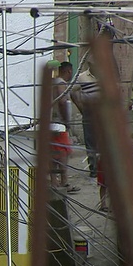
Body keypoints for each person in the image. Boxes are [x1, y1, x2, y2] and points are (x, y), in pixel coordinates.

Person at [51, 61, 80, 192]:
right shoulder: (61, 84)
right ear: (68, 71)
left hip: (50, 124)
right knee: (63, 154)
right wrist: (67, 121)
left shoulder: (50, 83)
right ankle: (64, 182)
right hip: (59, 124)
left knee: (53, 153)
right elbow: (63, 102)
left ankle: (54, 182)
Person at [71, 56, 100, 178]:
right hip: (89, 112)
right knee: (90, 141)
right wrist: (80, 107)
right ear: (89, 64)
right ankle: (93, 168)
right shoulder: (82, 77)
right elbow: (72, 91)